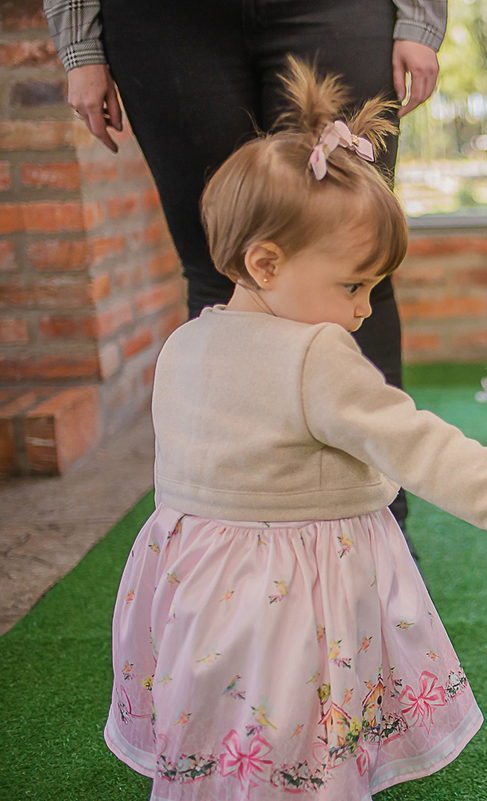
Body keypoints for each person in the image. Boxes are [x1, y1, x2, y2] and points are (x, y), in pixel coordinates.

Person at [103, 59, 487, 800]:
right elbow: (414, 440)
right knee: (298, 727)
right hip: (290, 590)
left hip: (194, 588)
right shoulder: (316, 353)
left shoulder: (184, 341)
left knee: (230, 730)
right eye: (353, 284)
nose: (365, 311)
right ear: (266, 262)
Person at [42, 0, 441, 536]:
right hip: (163, 24)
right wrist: (81, 46)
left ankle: (380, 525)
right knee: (219, 268)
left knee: (353, 257)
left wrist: (420, 19)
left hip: (338, 11)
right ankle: (226, 524)